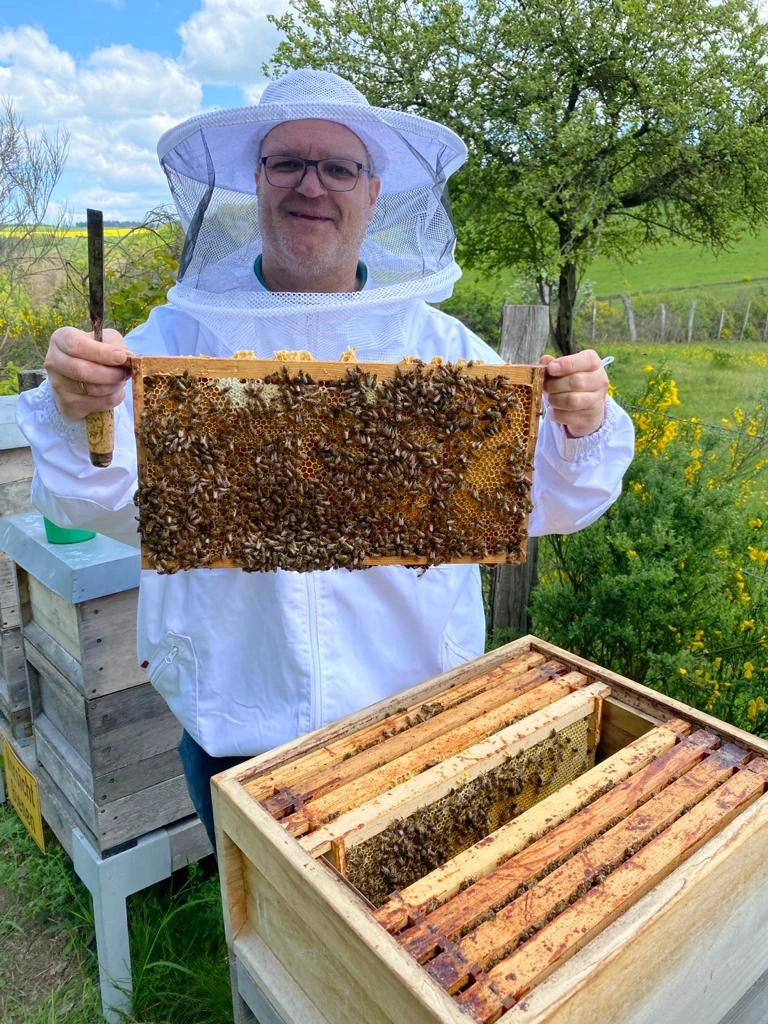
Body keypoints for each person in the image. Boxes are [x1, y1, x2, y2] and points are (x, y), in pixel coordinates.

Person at [17, 69, 634, 849]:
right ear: (256, 181)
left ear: (373, 194)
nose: (312, 185)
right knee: (268, 958)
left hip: (415, 717)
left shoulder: (440, 349)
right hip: (241, 724)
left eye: (337, 167)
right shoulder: (172, 344)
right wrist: (80, 414)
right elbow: (86, 505)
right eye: (288, 163)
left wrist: (581, 423)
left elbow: (551, 500)